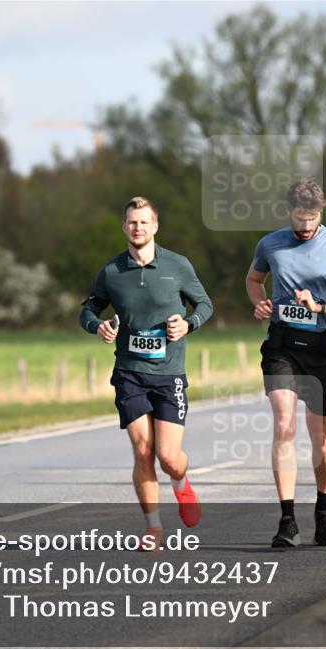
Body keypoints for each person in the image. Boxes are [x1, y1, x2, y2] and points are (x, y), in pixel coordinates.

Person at [79, 196, 213, 548]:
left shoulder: (177, 265)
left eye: (144, 222)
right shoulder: (111, 272)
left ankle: (182, 484)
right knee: (142, 451)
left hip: (169, 373)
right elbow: (88, 308)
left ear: (155, 226)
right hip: (130, 372)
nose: (137, 228)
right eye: (131, 222)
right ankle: (153, 527)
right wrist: (98, 327)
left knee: (168, 457)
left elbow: (205, 304)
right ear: (124, 227)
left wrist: (188, 324)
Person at [245, 178, 326, 548]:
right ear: (287, 211)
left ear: (321, 212)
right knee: (283, 424)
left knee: (322, 433)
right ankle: (287, 520)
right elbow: (254, 279)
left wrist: (320, 307)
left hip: (323, 348)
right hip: (282, 345)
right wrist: (260, 301)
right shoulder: (270, 243)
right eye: (300, 219)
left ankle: (323, 505)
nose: (306, 226)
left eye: (312, 218)